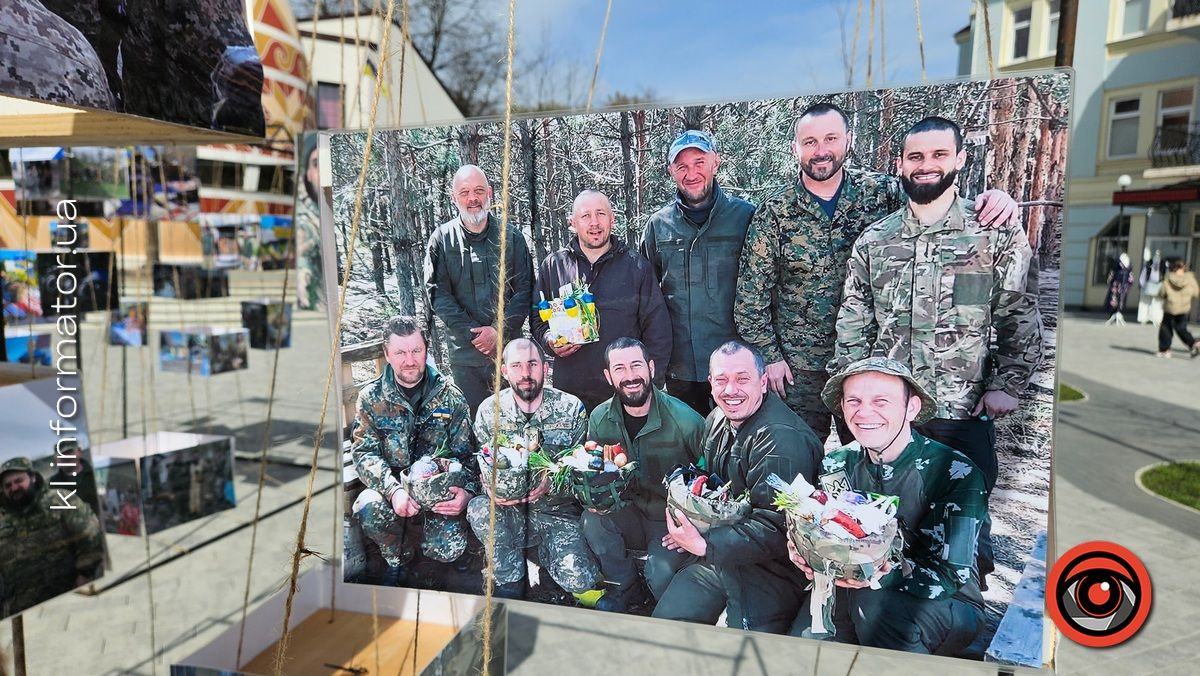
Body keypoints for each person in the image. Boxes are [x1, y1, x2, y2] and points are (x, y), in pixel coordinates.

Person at [831, 116, 1042, 585]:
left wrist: (1007, 383)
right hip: (888, 415)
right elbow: (853, 322)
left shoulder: (995, 234)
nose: (927, 166)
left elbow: (1018, 313)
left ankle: (959, 626)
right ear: (901, 164)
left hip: (958, 412)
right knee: (876, 530)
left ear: (960, 160)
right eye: (916, 157)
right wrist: (856, 395)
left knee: (964, 544)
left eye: (939, 155)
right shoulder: (876, 241)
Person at [734, 101, 1018, 443]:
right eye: (810, 142)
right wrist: (771, 356)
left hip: (873, 369)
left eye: (831, 139)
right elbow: (751, 298)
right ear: (796, 147)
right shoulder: (775, 213)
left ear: (848, 141)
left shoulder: (883, 193)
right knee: (796, 464)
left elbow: (935, 198)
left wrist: (997, 200)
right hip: (799, 370)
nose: (821, 151)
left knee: (870, 468)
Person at [787, 357, 988, 655]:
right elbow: (828, 528)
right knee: (804, 647)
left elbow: (951, 576)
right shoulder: (837, 463)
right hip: (850, 585)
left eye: (881, 401)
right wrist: (805, 552)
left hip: (947, 600)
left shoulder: (954, 471)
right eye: (853, 400)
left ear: (912, 408)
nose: (864, 412)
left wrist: (880, 573)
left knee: (876, 608)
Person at [652, 341, 822, 633]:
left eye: (742, 379)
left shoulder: (781, 440)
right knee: (665, 618)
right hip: (724, 551)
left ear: (764, 381)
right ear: (710, 383)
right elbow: (708, 482)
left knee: (744, 650)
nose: (731, 390)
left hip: (772, 567)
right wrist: (688, 522)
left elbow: (778, 527)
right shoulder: (717, 418)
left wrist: (706, 544)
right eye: (721, 380)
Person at [466, 338, 601, 601]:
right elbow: (480, 464)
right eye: (516, 365)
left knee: (581, 580)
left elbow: (584, 474)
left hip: (557, 513)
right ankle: (510, 579)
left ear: (545, 368)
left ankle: (550, 564)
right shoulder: (488, 411)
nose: (525, 373)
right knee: (480, 508)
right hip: (509, 513)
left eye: (532, 364)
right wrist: (490, 488)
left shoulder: (571, 408)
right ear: (504, 372)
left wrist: (552, 482)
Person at [350, 316, 478, 585]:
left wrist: (465, 494)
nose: (409, 360)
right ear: (386, 354)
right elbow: (364, 453)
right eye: (400, 352)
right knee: (367, 506)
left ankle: (445, 553)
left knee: (448, 549)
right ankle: (398, 559)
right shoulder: (372, 398)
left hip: (438, 493)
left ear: (426, 350)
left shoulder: (450, 396)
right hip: (393, 491)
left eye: (416, 350)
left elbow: (468, 456)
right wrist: (392, 490)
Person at [583, 337, 705, 611]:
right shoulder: (600, 418)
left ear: (651, 368)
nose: (630, 376)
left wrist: (693, 528)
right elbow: (596, 470)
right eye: (620, 369)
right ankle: (626, 589)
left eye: (636, 365)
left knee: (661, 578)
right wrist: (598, 500)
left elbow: (713, 479)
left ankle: (673, 609)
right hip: (628, 510)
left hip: (670, 519)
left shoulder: (686, 420)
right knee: (592, 522)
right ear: (608, 376)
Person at [641, 130, 756, 415]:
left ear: (715, 162)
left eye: (699, 162)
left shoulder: (745, 217)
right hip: (680, 367)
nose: (691, 173)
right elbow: (647, 298)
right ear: (671, 172)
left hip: (734, 366)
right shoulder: (658, 226)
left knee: (737, 445)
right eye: (681, 166)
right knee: (688, 447)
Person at [530, 189, 672, 410]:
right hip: (571, 396)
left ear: (612, 219)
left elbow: (658, 331)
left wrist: (651, 385)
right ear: (572, 223)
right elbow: (538, 321)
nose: (594, 222)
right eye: (586, 216)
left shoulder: (636, 266)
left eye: (601, 214)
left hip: (624, 395)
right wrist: (550, 341)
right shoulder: (554, 266)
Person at [424, 164, 535, 415]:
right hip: (466, 358)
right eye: (464, 192)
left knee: (516, 422)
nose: (472, 198)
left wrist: (498, 330)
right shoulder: (441, 240)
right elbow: (437, 294)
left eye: (478, 190)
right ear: (454, 198)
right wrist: (475, 334)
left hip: (510, 354)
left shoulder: (512, 237)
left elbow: (525, 290)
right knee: (475, 426)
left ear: (490, 193)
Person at [0, 456, 105, 618]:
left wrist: (85, 574)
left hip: (69, 601)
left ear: (33, 478)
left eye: (18, 481)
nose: (14, 488)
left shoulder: (60, 499)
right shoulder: (3, 520)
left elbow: (90, 535)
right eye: (8, 485)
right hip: (21, 613)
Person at [1157, 258, 1199, 358]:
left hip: (1170, 308)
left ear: (1174, 267)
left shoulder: (1168, 278)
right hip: (1183, 308)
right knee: (1181, 328)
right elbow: (1196, 292)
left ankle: (1165, 350)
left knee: (1166, 329)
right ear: (1184, 267)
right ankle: (1193, 343)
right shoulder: (1190, 279)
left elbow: (1162, 293)